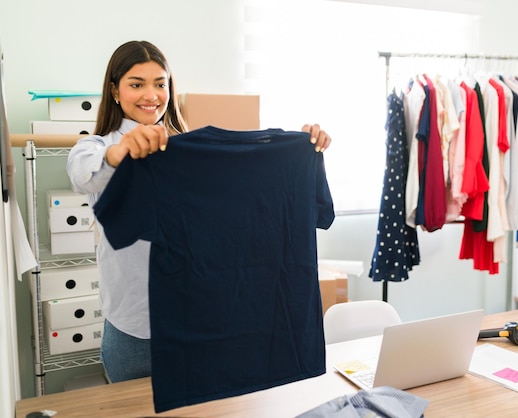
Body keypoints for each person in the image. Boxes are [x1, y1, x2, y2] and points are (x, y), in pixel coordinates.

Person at [66, 40, 331, 383]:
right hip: (137, 329)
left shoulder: (190, 151)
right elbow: (80, 172)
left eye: (160, 84)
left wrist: (300, 149)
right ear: (115, 91)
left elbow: (245, 195)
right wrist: (121, 152)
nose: (151, 95)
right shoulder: (98, 146)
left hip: (203, 321)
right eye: (137, 84)